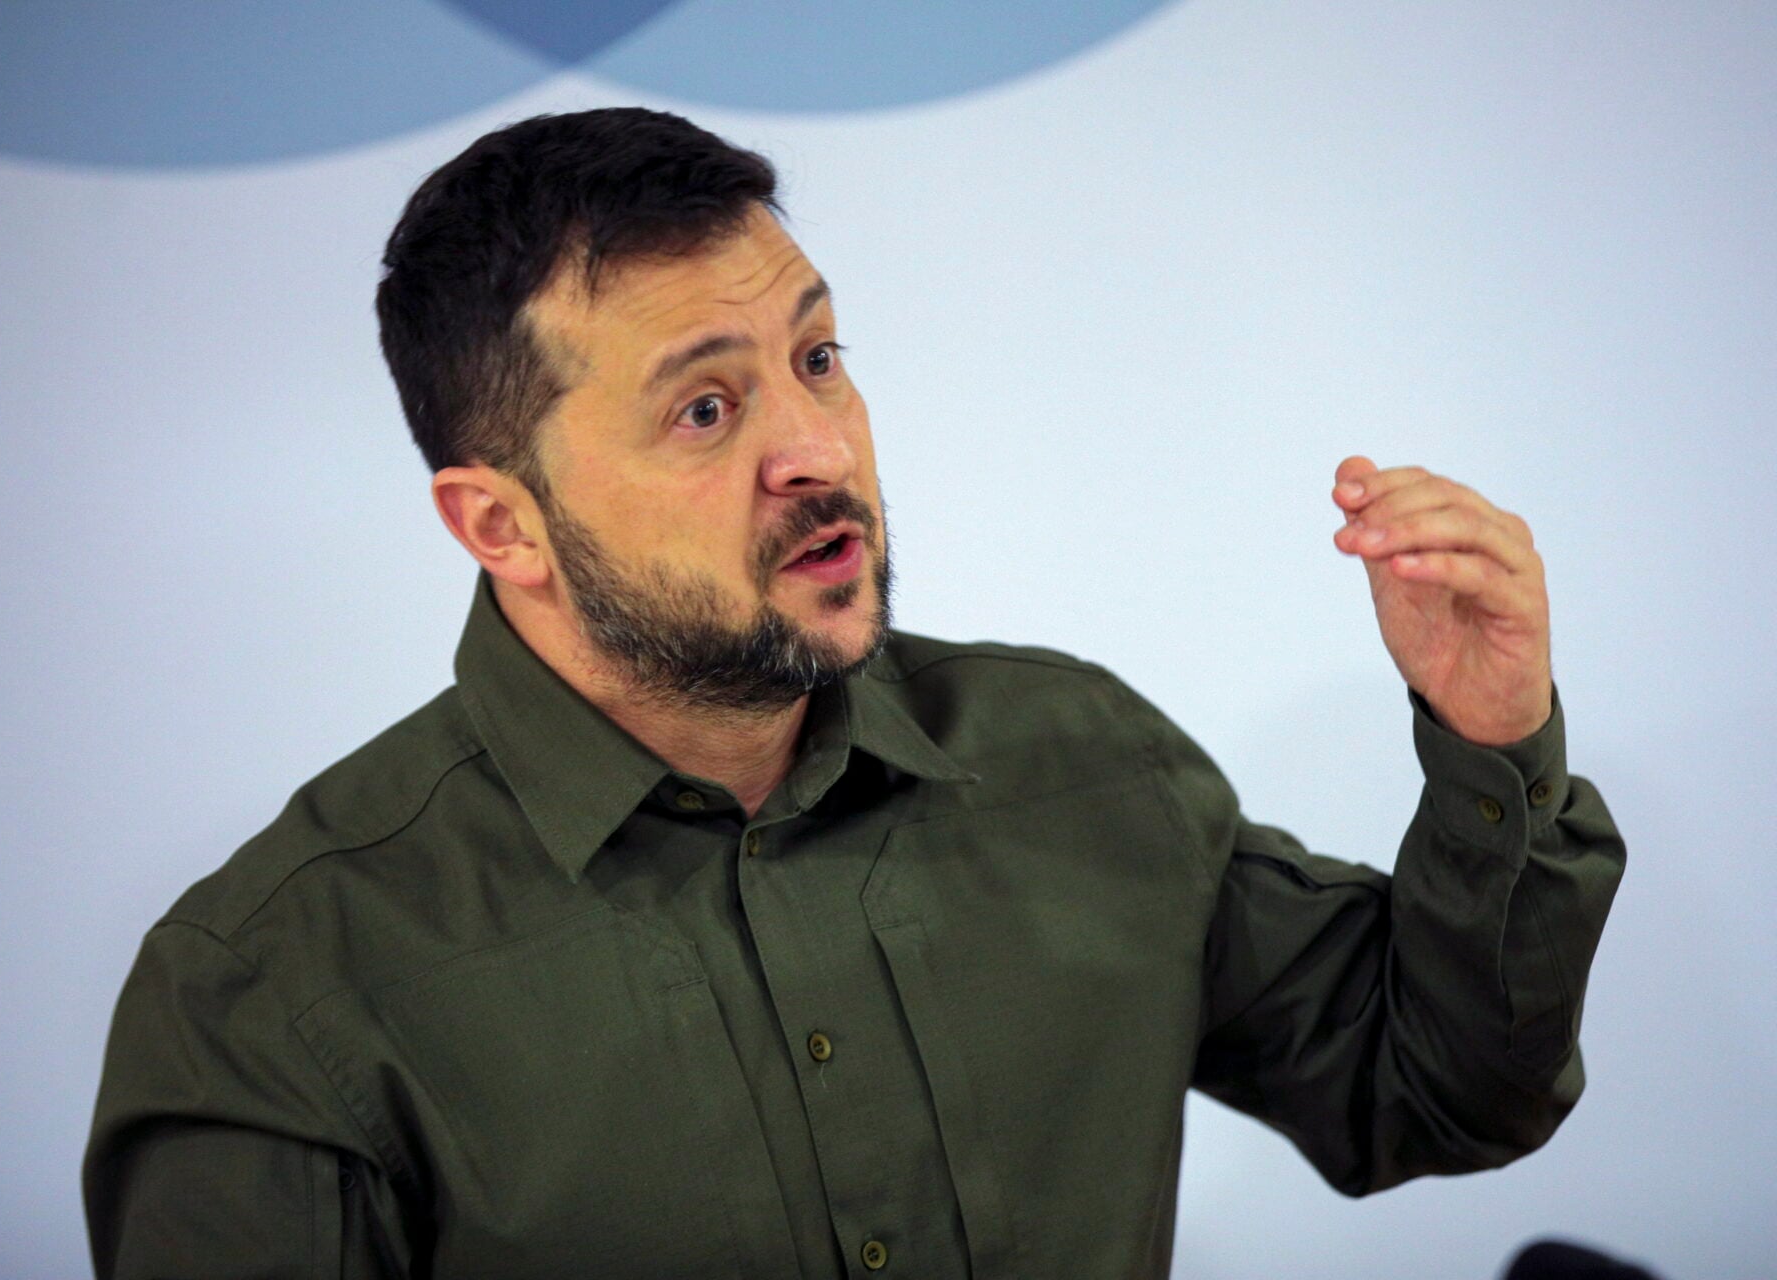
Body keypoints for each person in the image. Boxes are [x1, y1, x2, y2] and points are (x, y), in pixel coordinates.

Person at [83, 107, 1625, 1279]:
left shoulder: (1074, 760)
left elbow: (1440, 1090)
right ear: (502, 526)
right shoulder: (274, 996)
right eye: (706, 407)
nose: (816, 450)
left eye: (818, 358)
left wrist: (1490, 735)